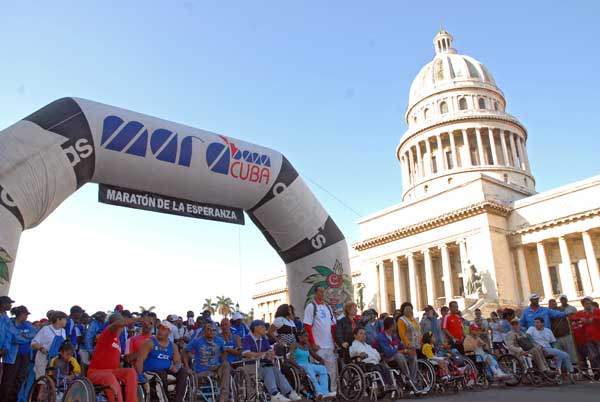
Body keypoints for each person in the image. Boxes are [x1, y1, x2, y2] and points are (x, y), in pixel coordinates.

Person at [242, 320, 301, 402]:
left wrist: (271, 354)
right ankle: (274, 394)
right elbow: (246, 353)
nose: (265, 329)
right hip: (251, 365)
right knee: (269, 368)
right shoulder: (247, 338)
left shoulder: (263, 339)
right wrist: (263, 354)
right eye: (263, 327)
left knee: (275, 369)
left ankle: (289, 392)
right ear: (256, 328)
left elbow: (270, 350)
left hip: (262, 364)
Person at [87, 313, 142, 402]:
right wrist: (139, 319)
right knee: (109, 377)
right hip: (96, 372)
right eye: (121, 324)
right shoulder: (107, 333)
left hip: (113, 371)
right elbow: (116, 324)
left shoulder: (118, 340)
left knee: (131, 372)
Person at [137, 321, 187, 402]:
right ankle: (165, 400)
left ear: (169, 331)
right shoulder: (149, 342)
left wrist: (176, 367)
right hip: (149, 372)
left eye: (163, 329)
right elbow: (140, 360)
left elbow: (178, 361)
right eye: (159, 328)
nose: (160, 331)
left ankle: (179, 400)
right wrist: (140, 377)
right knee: (160, 374)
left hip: (165, 371)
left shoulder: (173, 346)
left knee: (183, 371)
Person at [184, 322, 231, 402]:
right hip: (201, 370)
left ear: (215, 331)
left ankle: (223, 397)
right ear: (204, 331)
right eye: (208, 330)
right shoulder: (197, 341)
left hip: (215, 368)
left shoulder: (219, 340)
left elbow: (224, 352)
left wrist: (222, 361)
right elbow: (185, 351)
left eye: (213, 330)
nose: (210, 332)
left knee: (226, 365)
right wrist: (187, 367)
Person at [303, 286, 337, 392]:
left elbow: (332, 326)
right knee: (319, 371)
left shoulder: (327, 307)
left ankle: (332, 391)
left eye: (324, 292)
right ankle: (320, 392)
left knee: (332, 371)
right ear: (315, 293)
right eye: (321, 292)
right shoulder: (311, 306)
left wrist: (334, 342)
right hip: (318, 346)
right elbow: (307, 326)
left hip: (329, 345)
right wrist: (312, 343)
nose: (323, 294)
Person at [0, 304, 36, 402]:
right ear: (20, 314)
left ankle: (13, 399)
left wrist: (21, 335)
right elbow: (14, 338)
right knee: (8, 380)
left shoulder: (28, 324)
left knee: (19, 379)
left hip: (25, 356)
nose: (27, 316)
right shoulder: (10, 323)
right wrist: (25, 337)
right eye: (25, 314)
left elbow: (34, 333)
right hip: (12, 357)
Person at [375, 317, 419, 391]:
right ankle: (407, 376)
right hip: (385, 358)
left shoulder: (393, 335)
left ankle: (412, 379)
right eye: (395, 324)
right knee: (400, 356)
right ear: (391, 326)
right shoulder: (381, 337)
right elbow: (388, 352)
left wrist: (409, 348)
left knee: (412, 355)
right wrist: (404, 351)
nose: (396, 326)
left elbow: (400, 345)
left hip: (395, 354)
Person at [288, 330, 334, 400]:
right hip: (299, 366)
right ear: (300, 337)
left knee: (323, 368)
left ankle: (325, 392)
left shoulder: (307, 345)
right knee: (309, 367)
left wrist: (321, 359)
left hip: (307, 365)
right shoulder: (294, 345)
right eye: (306, 336)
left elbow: (314, 355)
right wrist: (299, 367)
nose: (308, 338)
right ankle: (318, 392)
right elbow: (290, 359)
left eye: (308, 336)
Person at [526, 317, 575, 381]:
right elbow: (528, 336)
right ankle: (565, 371)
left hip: (548, 348)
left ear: (542, 323)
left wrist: (555, 349)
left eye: (537, 322)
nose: (535, 324)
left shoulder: (548, 330)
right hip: (539, 349)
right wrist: (535, 344)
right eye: (535, 322)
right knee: (563, 354)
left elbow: (553, 342)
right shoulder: (532, 329)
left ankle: (563, 371)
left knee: (564, 354)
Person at [31, 310, 68, 380]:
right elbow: (33, 343)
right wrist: (41, 348)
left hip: (56, 361)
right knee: (43, 383)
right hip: (43, 359)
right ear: (58, 319)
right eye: (65, 319)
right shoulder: (46, 329)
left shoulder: (63, 331)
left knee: (54, 382)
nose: (66, 321)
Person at [548, 298, 579, 366]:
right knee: (560, 355)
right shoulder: (548, 313)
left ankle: (574, 369)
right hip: (556, 337)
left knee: (571, 354)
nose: (554, 305)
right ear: (549, 305)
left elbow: (570, 315)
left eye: (555, 303)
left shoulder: (561, 310)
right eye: (552, 304)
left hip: (566, 334)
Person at [572, 296, 600, 369]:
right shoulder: (581, 313)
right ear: (583, 305)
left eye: (589, 303)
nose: (588, 305)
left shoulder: (596, 311)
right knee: (592, 356)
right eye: (586, 304)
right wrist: (580, 318)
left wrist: (594, 318)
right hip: (588, 337)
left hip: (598, 336)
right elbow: (572, 317)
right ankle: (596, 371)